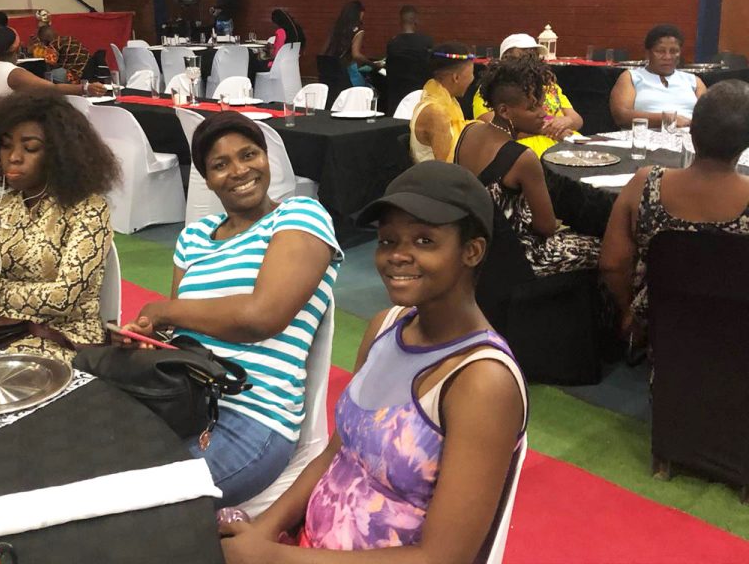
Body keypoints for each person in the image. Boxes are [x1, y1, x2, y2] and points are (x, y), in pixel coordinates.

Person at [220, 161, 527, 562]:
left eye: (424, 241)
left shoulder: (481, 381)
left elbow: (441, 557)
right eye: (387, 241)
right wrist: (263, 531)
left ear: (472, 251)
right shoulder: (385, 327)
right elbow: (336, 454)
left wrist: (268, 557)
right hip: (305, 546)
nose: (397, 256)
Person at [117, 112, 343, 506]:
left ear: (267, 158)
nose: (239, 171)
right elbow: (181, 334)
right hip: (184, 397)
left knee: (130, 503)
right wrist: (152, 336)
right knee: (89, 461)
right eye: (220, 165)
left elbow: (261, 317)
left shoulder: (300, 216)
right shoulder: (193, 238)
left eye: (249, 154)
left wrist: (164, 311)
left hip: (253, 417)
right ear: (207, 179)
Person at [0, 91, 122, 362]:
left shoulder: (88, 208)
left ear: (60, 153)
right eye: (5, 146)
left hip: (64, 338)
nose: (14, 157)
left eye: (30, 148)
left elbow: (63, 298)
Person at [599, 79, 749, 351]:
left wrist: (628, 315)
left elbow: (612, 264)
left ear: (691, 130)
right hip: (738, 334)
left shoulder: (645, 183)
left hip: (662, 329)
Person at [454, 57, 600, 276]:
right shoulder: (522, 158)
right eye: (533, 107)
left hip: (480, 246)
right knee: (608, 249)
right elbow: (546, 227)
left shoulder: (469, 131)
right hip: (521, 255)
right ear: (504, 111)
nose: (543, 113)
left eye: (541, 103)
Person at [472, 33, 584, 156]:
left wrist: (566, 121)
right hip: (529, 151)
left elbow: (577, 119)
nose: (531, 58)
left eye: (534, 54)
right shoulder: (496, 91)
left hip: (568, 144)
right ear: (506, 58)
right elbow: (494, 130)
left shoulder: (549, 86)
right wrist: (548, 131)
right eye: (525, 53)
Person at [609, 24, 707, 129]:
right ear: (648, 53)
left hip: (689, 135)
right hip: (643, 136)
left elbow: (709, 114)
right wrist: (666, 119)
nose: (667, 57)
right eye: (660, 51)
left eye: (674, 51)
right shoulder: (632, 77)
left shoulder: (693, 81)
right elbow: (621, 116)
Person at [0, 26, 105, 98]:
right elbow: (53, 88)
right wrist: (85, 88)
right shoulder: (14, 73)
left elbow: (49, 62)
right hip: (10, 121)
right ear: (15, 47)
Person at [409, 42, 474, 164]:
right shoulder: (437, 113)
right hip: (434, 175)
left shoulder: (447, 100)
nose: (472, 79)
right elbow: (444, 166)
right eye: (471, 74)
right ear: (456, 78)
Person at [384, 4, 433, 116]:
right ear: (416, 21)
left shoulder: (392, 44)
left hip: (396, 99)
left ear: (400, 22)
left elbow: (389, 70)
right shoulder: (426, 42)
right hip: (420, 96)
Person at [323, 0, 380, 87]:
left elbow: (325, 49)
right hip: (349, 73)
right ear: (359, 13)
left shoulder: (336, 28)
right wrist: (372, 64)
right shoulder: (358, 31)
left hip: (331, 70)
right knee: (368, 88)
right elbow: (356, 55)